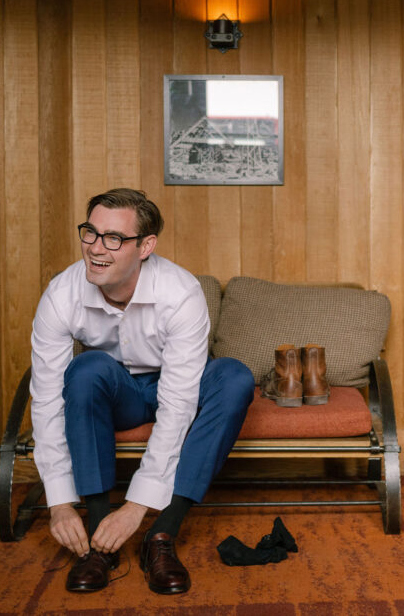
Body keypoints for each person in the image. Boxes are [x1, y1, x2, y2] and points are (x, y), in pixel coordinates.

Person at [29, 187, 254, 595]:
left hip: (178, 385)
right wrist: (59, 502)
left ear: (146, 246)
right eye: (90, 233)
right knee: (86, 369)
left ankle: (162, 537)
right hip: (121, 393)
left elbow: (178, 402)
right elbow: (46, 399)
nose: (96, 249)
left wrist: (137, 509)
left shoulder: (180, 292)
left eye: (114, 238)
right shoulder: (61, 294)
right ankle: (99, 540)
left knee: (235, 377)